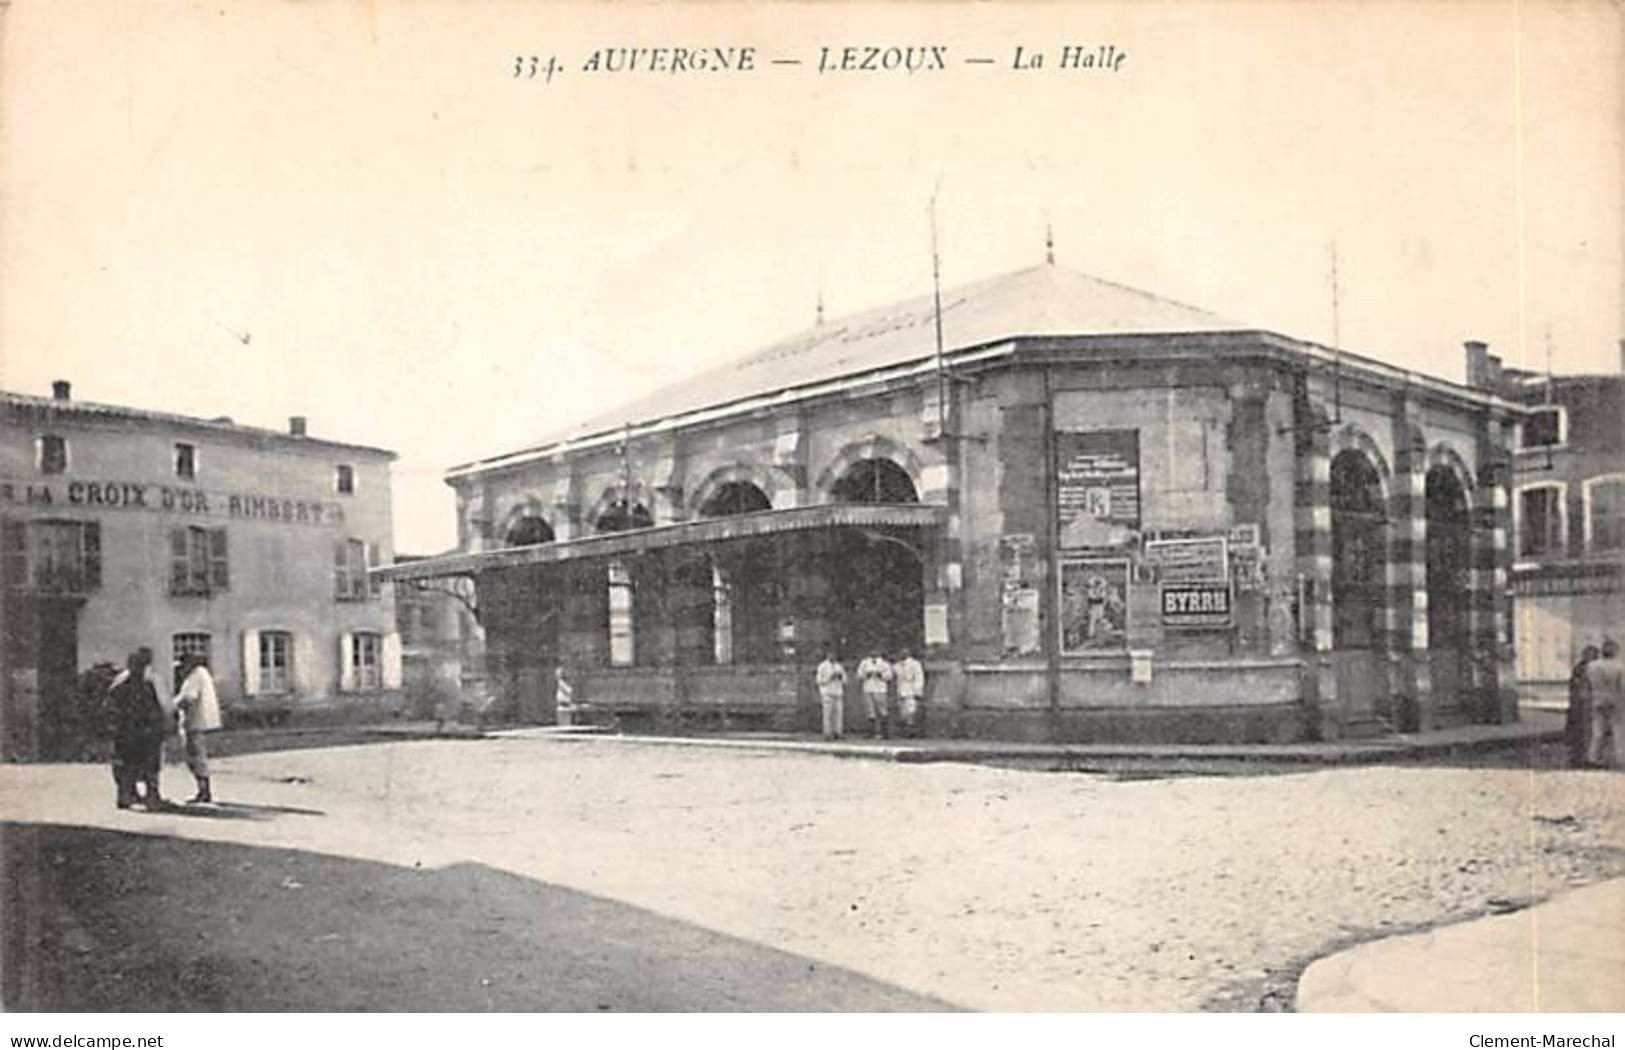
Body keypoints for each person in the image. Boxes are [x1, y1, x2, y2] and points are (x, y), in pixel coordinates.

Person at [106, 648, 168, 810]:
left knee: (129, 763)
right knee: (143, 764)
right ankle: (146, 796)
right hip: (137, 731)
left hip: (132, 731)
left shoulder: (124, 682)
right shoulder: (139, 683)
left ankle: (130, 794)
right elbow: (154, 707)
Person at [173, 652, 222, 803]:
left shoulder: (195, 676)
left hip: (195, 721)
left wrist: (172, 705)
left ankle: (204, 790)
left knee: (196, 756)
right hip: (199, 721)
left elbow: (189, 697)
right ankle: (203, 789)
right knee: (197, 756)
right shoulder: (202, 674)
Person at [1584, 638, 1624, 770]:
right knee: (1618, 730)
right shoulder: (1619, 667)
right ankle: (1620, 757)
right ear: (1614, 652)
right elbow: (1622, 686)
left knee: (1598, 730)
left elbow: (1588, 683)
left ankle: (1593, 757)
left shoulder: (1592, 666)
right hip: (1614, 700)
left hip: (1597, 698)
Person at [1567, 645, 1600, 768]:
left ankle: (1583, 758)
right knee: (1584, 733)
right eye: (1594, 656)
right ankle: (1583, 759)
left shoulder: (1580, 669)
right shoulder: (1583, 669)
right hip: (1583, 706)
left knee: (1586, 733)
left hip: (1584, 705)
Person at [856, 649, 894, 740]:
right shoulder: (864, 663)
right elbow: (859, 675)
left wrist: (880, 675)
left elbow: (889, 676)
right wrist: (866, 675)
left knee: (882, 709)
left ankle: (885, 732)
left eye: (876, 652)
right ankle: (871, 732)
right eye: (872, 652)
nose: (874, 653)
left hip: (880, 689)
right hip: (868, 688)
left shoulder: (884, 664)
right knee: (870, 710)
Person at [893, 648, 926, 739]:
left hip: (911, 688)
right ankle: (903, 731)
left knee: (911, 710)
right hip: (901, 689)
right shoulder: (897, 665)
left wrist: (918, 691)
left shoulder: (915, 664)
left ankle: (911, 731)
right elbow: (895, 673)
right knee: (902, 711)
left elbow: (919, 678)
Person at [814, 649, 847, 741]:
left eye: (834, 655)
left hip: (838, 692)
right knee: (827, 714)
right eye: (831, 654)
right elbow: (819, 681)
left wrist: (840, 677)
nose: (832, 656)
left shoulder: (839, 666)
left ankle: (838, 732)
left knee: (838, 713)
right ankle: (827, 733)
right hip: (827, 692)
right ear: (827, 655)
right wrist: (830, 677)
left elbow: (845, 679)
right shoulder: (822, 666)